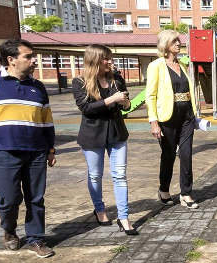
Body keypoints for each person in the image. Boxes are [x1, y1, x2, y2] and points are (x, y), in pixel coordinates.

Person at [0, 39, 57, 257]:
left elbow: (47, 122)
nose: (34, 60)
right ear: (11, 60)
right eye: (28, 56)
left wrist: (50, 149)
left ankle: (36, 238)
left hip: (36, 151)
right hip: (3, 151)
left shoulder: (38, 87)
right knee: (9, 198)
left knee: (36, 198)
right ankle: (9, 230)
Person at [72, 45, 137, 235]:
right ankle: (100, 210)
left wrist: (125, 102)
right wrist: (112, 100)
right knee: (95, 175)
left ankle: (124, 217)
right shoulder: (79, 82)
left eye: (110, 58)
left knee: (119, 175)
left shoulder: (116, 79)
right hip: (92, 136)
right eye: (106, 59)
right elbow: (86, 108)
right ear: (94, 60)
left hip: (117, 134)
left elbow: (126, 106)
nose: (110, 62)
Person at [146, 30, 200, 209]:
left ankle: (186, 193)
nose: (178, 43)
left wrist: (195, 114)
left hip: (186, 118)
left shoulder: (182, 64)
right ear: (165, 45)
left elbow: (189, 91)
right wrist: (154, 122)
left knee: (186, 155)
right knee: (168, 156)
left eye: (178, 41)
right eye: (174, 41)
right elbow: (150, 95)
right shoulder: (156, 66)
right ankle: (163, 189)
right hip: (167, 118)